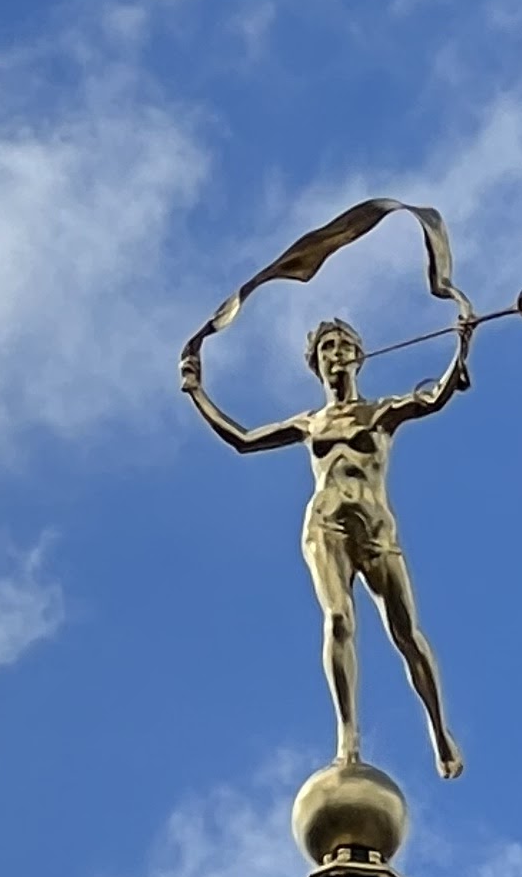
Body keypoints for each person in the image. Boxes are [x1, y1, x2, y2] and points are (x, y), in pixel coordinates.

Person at [181, 305, 474, 778]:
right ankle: (348, 738)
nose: (335, 355)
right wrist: (197, 391)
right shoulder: (308, 423)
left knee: (407, 635)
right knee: (338, 620)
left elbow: (436, 397)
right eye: (326, 349)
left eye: (342, 346)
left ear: (359, 356)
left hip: (376, 530)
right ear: (316, 363)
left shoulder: (381, 411)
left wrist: (462, 345)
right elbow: (242, 439)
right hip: (325, 526)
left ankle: (439, 731)